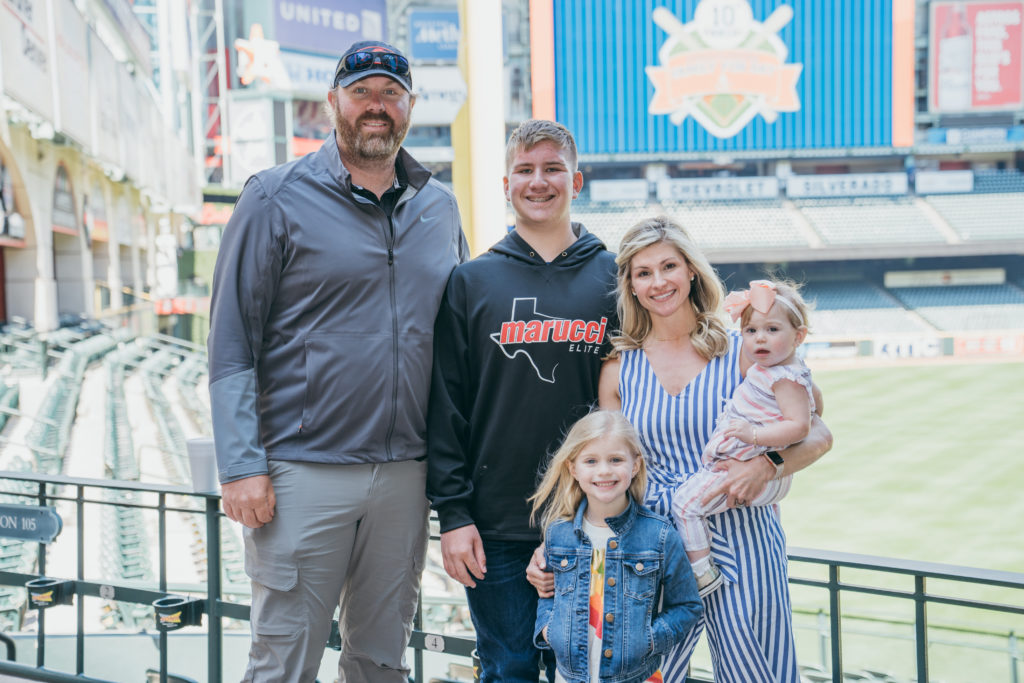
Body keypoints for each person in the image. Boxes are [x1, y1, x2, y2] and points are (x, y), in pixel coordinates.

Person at [208, 40, 467, 682]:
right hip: (302, 472)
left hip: (407, 475)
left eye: (390, 94)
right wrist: (242, 465)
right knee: (283, 660)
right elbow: (231, 341)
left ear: (409, 107)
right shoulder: (273, 197)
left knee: (381, 660)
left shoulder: (440, 206)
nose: (376, 107)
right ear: (333, 103)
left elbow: (464, 335)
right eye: (361, 93)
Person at [530, 216, 832, 682]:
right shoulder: (619, 367)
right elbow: (606, 471)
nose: (658, 282)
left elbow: (818, 433)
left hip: (742, 530)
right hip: (649, 543)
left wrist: (768, 465)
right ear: (629, 285)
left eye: (668, 265)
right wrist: (556, 545)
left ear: (691, 270)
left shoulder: (746, 347)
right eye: (643, 272)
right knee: (637, 674)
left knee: (760, 673)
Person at [426, 119, 618, 682]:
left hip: (593, 518)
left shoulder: (614, 275)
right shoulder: (472, 281)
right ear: (505, 184)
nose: (540, 182)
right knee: (508, 670)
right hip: (497, 526)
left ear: (576, 181)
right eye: (526, 170)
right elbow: (446, 405)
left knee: (592, 672)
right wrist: (454, 516)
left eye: (553, 169)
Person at [530, 410, 703, 683]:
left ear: (635, 465)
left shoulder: (659, 535)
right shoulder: (557, 535)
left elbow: (688, 605)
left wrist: (648, 639)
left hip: (638, 677)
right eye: (591, 461)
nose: (604, 471)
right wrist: (549, 630)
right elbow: (548, 594)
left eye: (615, 459)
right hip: (569, 677)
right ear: (573, 469)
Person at [672, 279, 815, 597]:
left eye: (772, 330)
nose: (759, 338)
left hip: (749, 469)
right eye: (750, 331)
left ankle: (701, 573)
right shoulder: (771, 369)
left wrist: (753, 434)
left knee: (684, 505)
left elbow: (802, 425)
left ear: (799, 336)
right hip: (745, 468)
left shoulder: (786, 377)